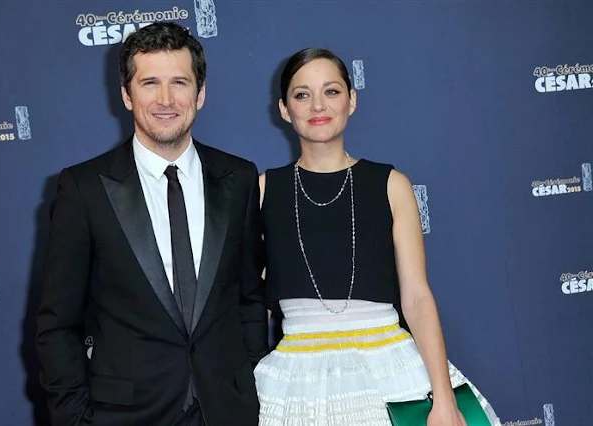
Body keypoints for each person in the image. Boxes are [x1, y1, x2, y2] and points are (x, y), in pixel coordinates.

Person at [36, 22, 268, 426]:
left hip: (228, 411)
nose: (165, 99)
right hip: (125, 415)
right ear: (127, 95)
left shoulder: (239, 177)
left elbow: (249, 300)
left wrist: (250, 390)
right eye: (149, 83)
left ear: (200, 93)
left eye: (179, 82)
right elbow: (57, 324)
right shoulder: (84, 188)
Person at [254, 48, 501, 426]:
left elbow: (417, 297)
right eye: (302, 95)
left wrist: (444, 397)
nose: (318, 105)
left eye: (332, 91)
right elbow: (253, 303)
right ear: (285, 109)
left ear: (351, 100)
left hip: (391, 367)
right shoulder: (262, 190)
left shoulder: (391, 185)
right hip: (295, 375)